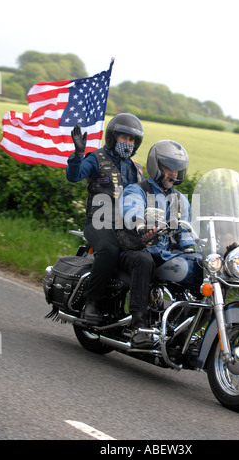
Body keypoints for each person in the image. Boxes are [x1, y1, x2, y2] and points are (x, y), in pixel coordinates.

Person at [66, 113, 144, 322]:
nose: (127, 143)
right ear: (112, 137)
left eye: (131, 139)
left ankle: (140, 317)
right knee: (109, 250)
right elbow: (74, 176)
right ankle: (91, 304)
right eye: (123, 137)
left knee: (147, 257)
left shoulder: (136, 168)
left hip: (125, 227)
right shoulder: (96, 158)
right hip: (97, 222)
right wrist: (79, 153)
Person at [119, 140, 194, 348]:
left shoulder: (181, 200)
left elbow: (186, 230)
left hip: (164, 254)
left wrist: (192, 247)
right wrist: (140, 224)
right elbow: (131, 209)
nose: (174, 175)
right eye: (169, 168)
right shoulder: (138, 190)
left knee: (197, 264)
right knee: (144, 261)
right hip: (136, 247)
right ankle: (138, 326)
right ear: (156, 165)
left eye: (178, 170)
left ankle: (181, 325)